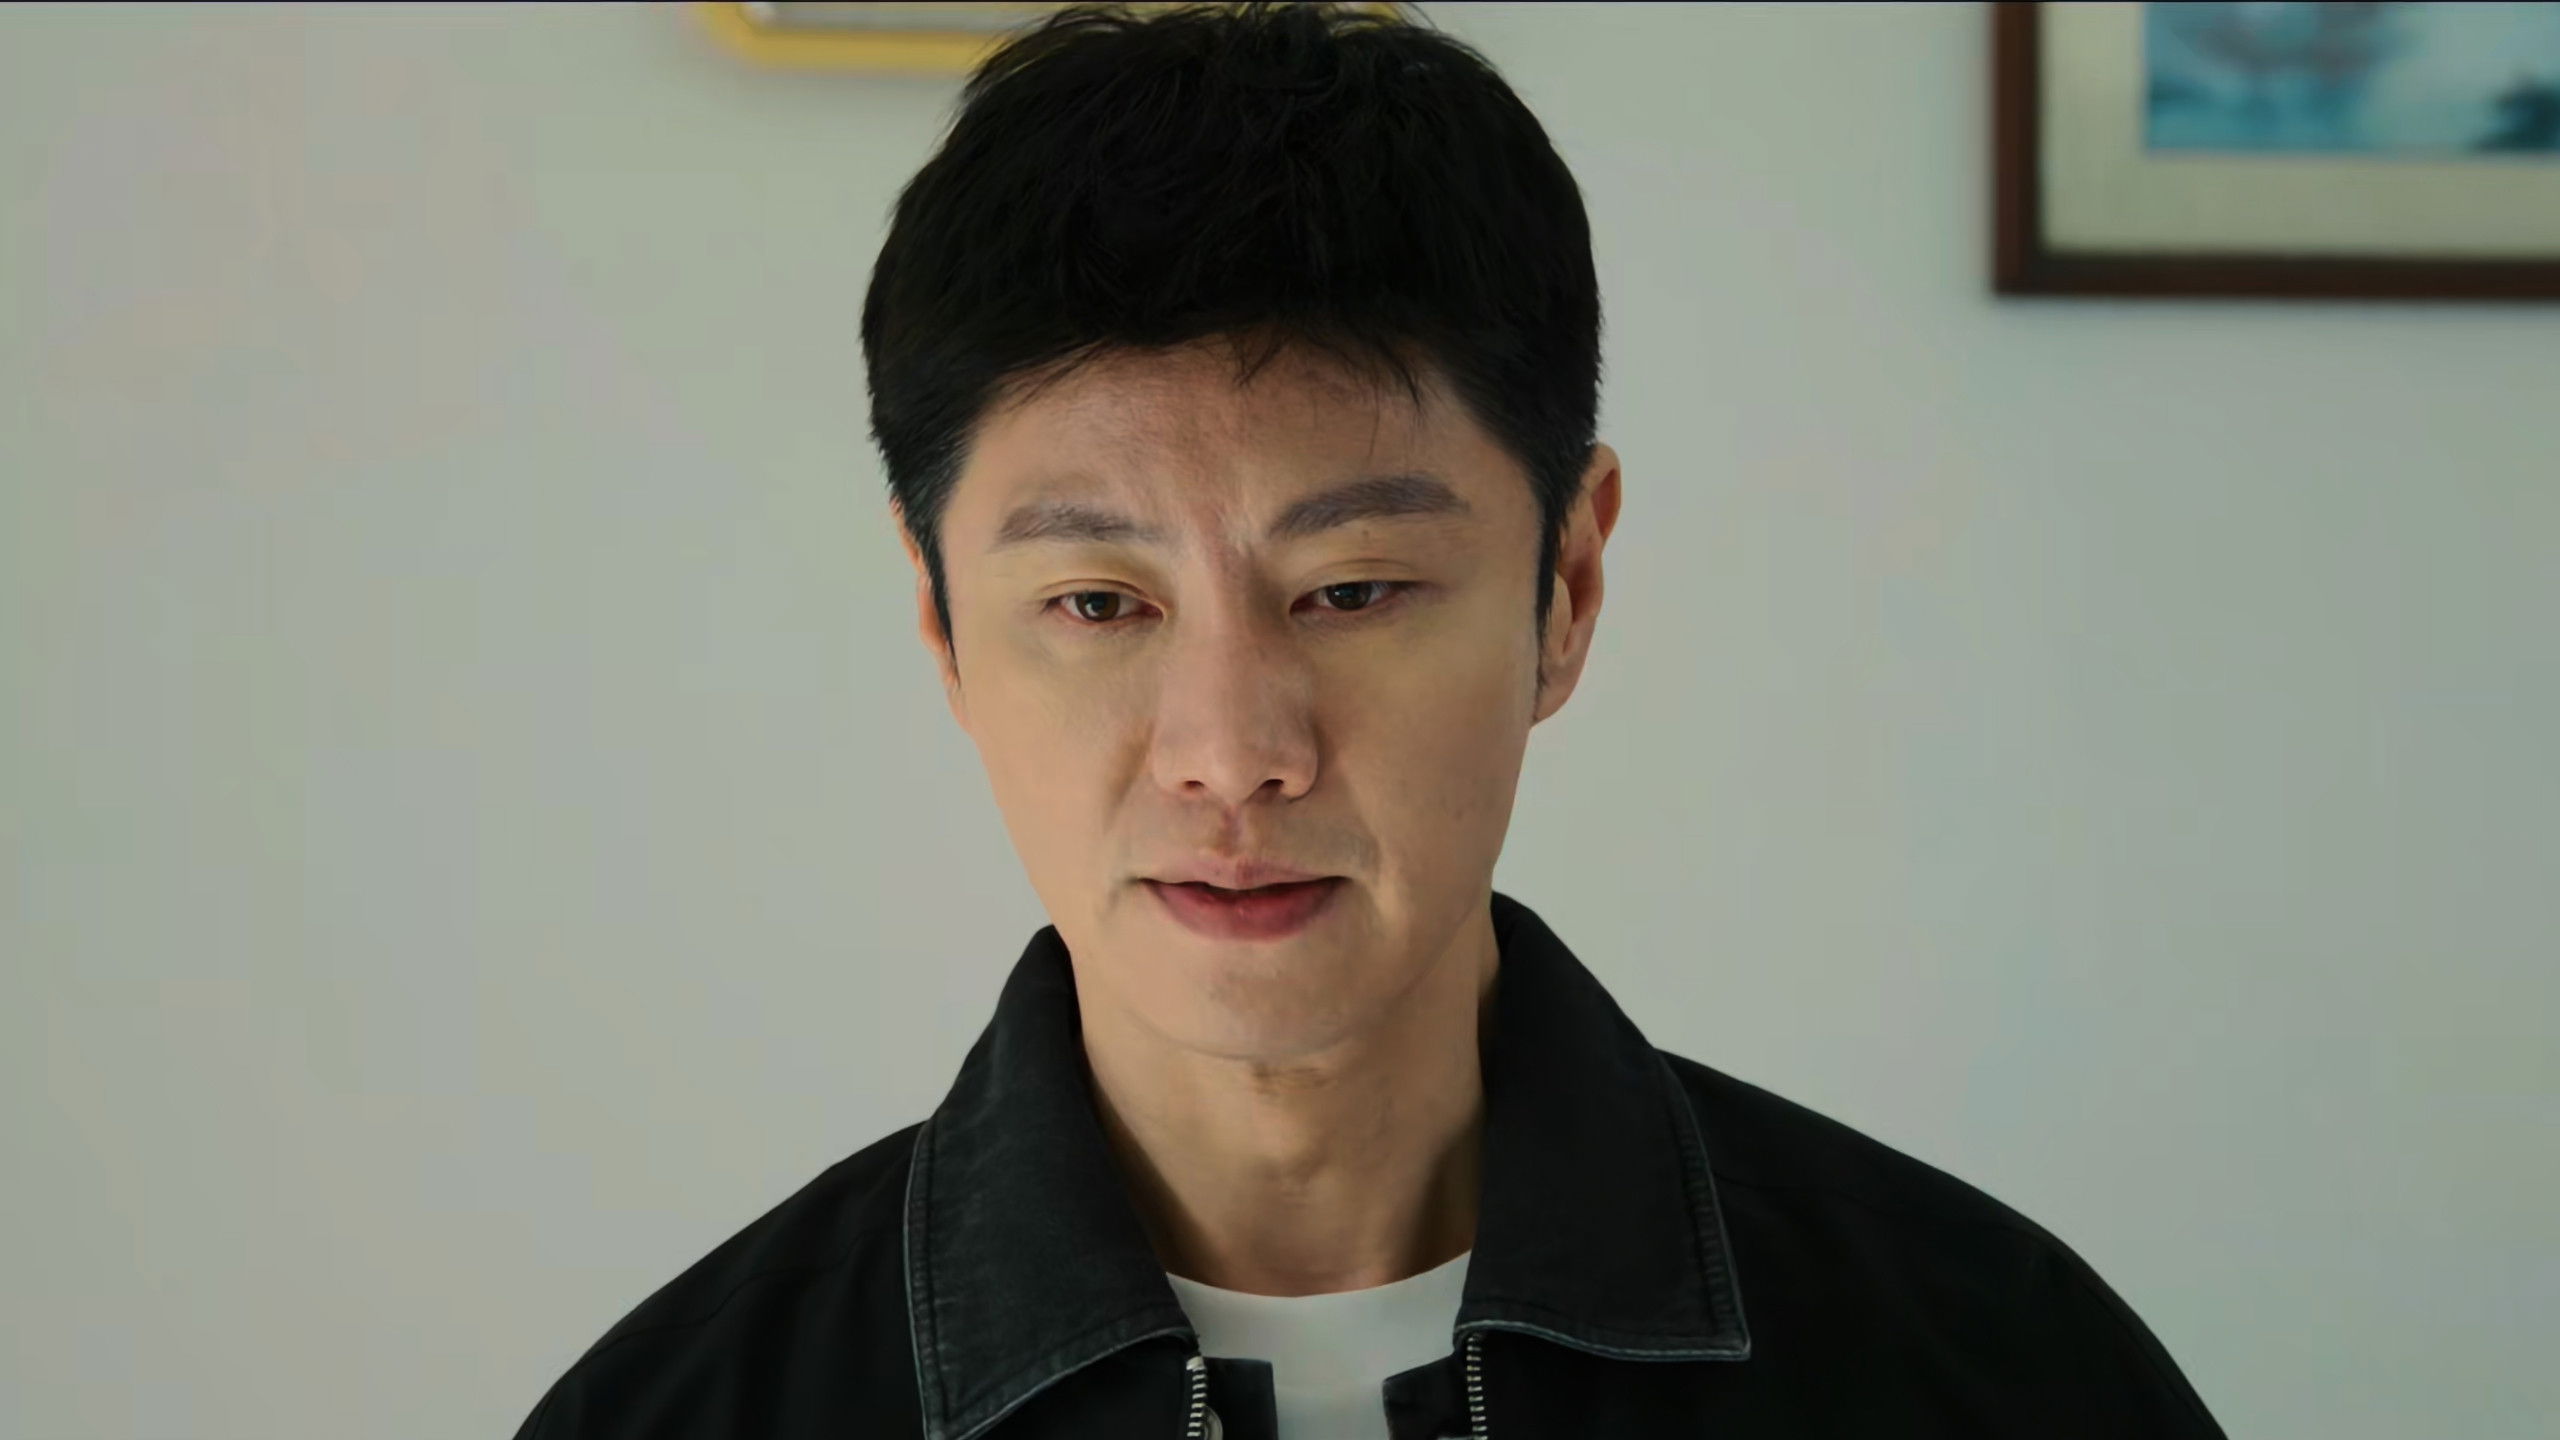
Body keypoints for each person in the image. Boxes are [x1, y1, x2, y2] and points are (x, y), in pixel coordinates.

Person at [510, 4, 2229, 1436]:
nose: (1231, 750)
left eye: (1350, 590)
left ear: (1567, 587)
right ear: (944, 626)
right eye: (1098, 605)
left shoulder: (1994, 1371)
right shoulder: (688, 1410)